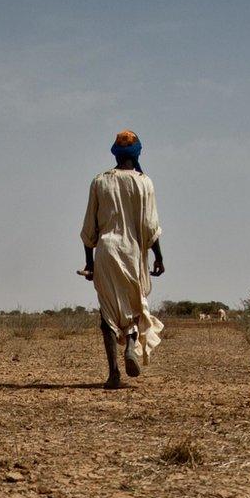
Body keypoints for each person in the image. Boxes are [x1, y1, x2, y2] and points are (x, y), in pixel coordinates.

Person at [79, 129, 165, 388]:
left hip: (106, 251)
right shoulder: (144, 182)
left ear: (115, 154)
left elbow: (89, 229)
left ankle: (113, 373)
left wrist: (90, 262)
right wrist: (158, 257)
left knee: (107, 315)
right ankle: (130, 346)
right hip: (133, 253)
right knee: (136, 307)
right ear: (137, 153)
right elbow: (151, 227)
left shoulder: (100, 181)